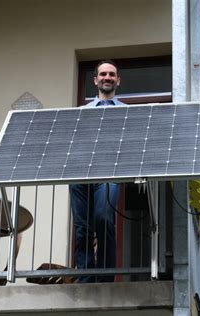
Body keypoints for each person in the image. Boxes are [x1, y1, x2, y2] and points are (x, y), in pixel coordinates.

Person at [70, 60, 124, 283]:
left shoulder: (127, 112)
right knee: (82, 228)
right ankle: (85, 277)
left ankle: (104, 276)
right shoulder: (80, 113)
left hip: (109, 173)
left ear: (117, 80)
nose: (107, 77)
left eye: (111, 74)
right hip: (81, 174)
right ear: (96, 80)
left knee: (103, 219)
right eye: (103, 74)